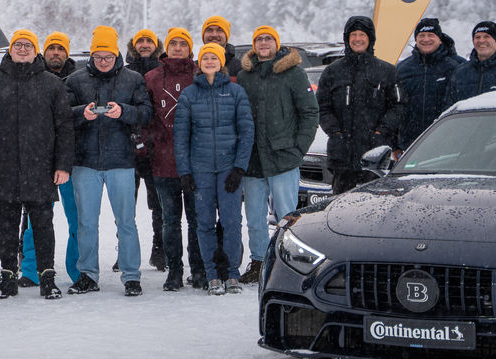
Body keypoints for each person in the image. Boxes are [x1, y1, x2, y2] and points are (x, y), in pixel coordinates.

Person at [0, 29, 74, 299]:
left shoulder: (51, 84)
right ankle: (7, 277)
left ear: (36, 50)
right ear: (11, 49)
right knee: (6, 225)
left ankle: (47, 277)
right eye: (19, 45)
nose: (23, 49)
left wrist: (63, 165)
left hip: (40, 168)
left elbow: (64, 127)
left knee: (42, 225)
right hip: (3, 168)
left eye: (29, 45)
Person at [63, 26, 153, 296]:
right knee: (86, 222)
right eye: (98, 57)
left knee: (126, 221)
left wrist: (123, 111)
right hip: (85, 161)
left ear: (117, 54)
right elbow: (63, 114)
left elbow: (146, 113)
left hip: (121, 160)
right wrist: (82, 113)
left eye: (109, 57)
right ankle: (88, 274)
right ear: (91, 55)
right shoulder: (75, 80)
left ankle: (131, 276)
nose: (103, 62)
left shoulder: (133, 79)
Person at [235, 25, 319, 284]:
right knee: (255, 218)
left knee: (287, 217)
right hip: (253, 159)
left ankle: (287, 264)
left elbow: (309, 113)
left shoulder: (293, 74)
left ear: (276, 43)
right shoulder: (245, 76)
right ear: (253, 45)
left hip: (283, 157)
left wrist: (298, 149)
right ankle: (259, 262)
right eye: (258, 39)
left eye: (268, 39)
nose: (263, 43)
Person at [173, 42, 254, 295]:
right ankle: (211, 274)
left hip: (229, 169)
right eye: (205, 58)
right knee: (204, 223)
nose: (209, 61)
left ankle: (231, 273)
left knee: (231, 222)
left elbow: (247, 131)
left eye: (214, 58)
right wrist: (185, 171)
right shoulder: (188, 94)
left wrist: (239, 168)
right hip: (201, 170)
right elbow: (181, 136)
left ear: (221, 62)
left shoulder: (236, 92)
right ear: (200, 63)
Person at [18, 30, 80, 285]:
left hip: (71, 160)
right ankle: (32, 270)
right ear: (44, 52)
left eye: (61, 49)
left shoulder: (79, 80)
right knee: (36, 220)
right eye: (52, 48)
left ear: (67, 53)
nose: (56, 53)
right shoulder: (32, 77)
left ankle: (79, 271)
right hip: (39, 160)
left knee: (78, 219)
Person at [317, 16, 405, 195]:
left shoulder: (386, 71)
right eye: (353, 34)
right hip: (342, 155)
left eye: (362, 34)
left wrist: (381, 132)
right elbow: (321, 107)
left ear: (370, 38)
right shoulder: (332, 72)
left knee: (374, 210)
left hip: (376, 155)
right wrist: (336, 133)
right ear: (347, 38)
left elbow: (399, 105)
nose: (357, 39)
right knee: (339, 211)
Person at [142, 27, 200, 291]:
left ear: (190, 48)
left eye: (183, 44)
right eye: (173, 43)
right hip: (163, 162)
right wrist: (150, 146)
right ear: (166, 47)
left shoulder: (200, 74)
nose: (178, 48)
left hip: (196, 163)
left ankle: (198, 270)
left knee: (198, 221)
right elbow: (147, 118)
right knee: (170, 221)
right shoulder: (152, 77)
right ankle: (174, 270)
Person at [126, 28, 166, 272]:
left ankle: (159, 249)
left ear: (156, 45)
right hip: (128, 144)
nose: (144, 44)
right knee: (126, 204)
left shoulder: (162, 71)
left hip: (157, 146)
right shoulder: (125, 71)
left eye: (148, 40)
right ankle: (126, 251)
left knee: (158, 203)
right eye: (139, 41)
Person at [395, 18, 465, 150]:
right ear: (416, 39)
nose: (426, 39)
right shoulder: (402, 69)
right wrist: (394, 145)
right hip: (410, 144)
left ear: (439, 39)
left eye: (431, 35)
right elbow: (394, 106)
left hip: (449, 142)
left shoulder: (458, 66)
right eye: (421, 35)